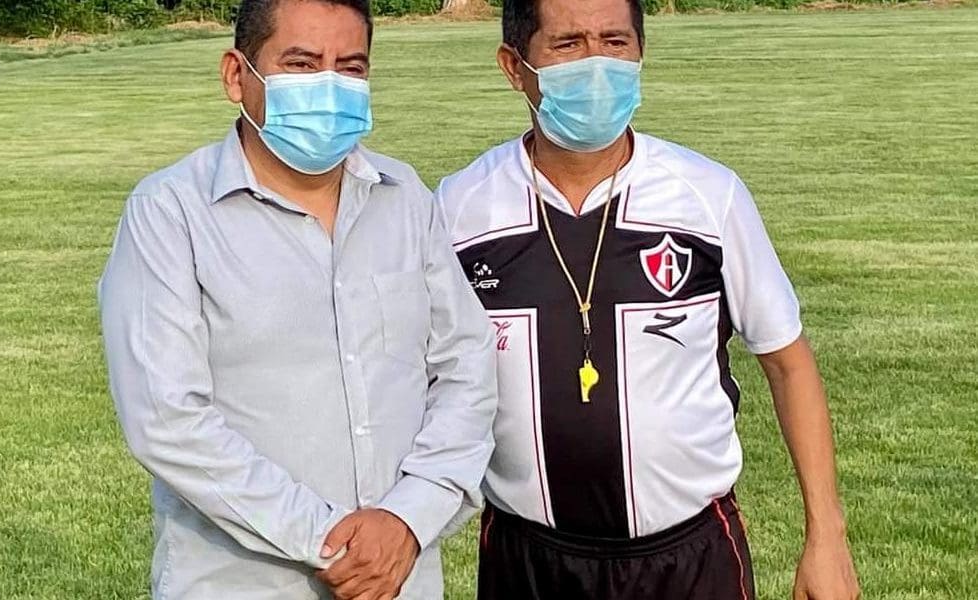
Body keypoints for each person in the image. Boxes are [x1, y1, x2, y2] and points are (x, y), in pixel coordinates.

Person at [435, 0, 861, 598]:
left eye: (616, 42)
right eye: (568, 45)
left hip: (689, 560)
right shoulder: (459, 209)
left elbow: (788, 363)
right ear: (514, 66)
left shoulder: (708, 195)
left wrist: (827, 536)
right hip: (527, 559)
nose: (597, 65)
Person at [98, 1, 497, 598]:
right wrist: (326, 538)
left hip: (400, 576)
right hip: (241, 584)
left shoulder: (405, 198)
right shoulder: (170, 213)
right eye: (302, 64)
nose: (329, 85)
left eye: (351, 67)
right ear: (237, 75)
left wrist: (410, 517)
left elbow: (467, 367)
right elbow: (167, 419)